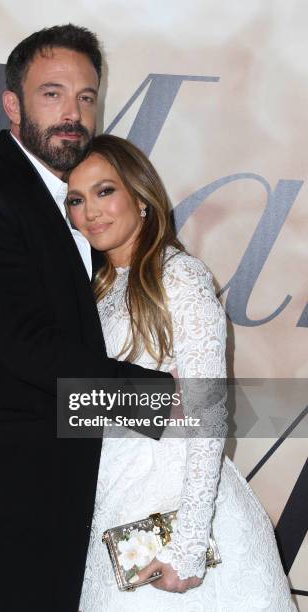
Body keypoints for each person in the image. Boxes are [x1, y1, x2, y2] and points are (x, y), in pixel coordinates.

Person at [0, 25, 172, 612]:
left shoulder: (88, 207)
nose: (73, 114)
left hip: (84, 494)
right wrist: (167, 401)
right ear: (12, 104)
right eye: (52, 93)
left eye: (87, 97)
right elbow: (22, 345)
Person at [64, 134, 297, 611]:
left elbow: (206, 414)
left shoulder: (179, 276)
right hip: (110, 509)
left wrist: (189, 546)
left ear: (142, 198)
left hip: (171, 517)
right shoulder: (96, 290)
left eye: (105, 191)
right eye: (76, 199)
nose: (91, 212)